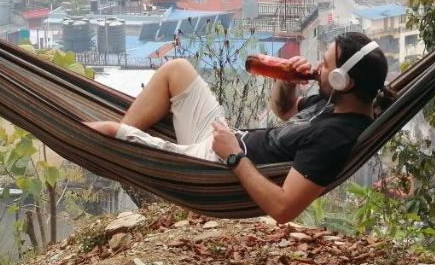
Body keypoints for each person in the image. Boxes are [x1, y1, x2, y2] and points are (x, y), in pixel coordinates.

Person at [87, 32, 388, 223]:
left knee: (107, 132)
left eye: (325, 66)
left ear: (342, 81)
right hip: (223, 141)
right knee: (176, 70)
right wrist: (286, 81)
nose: (318, 68)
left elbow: (284, 210)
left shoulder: (334, 139)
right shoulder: (333, 102)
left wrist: (233, 156)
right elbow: (284, 111)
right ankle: (128, 152)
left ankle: (123, 145)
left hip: (216, 167)